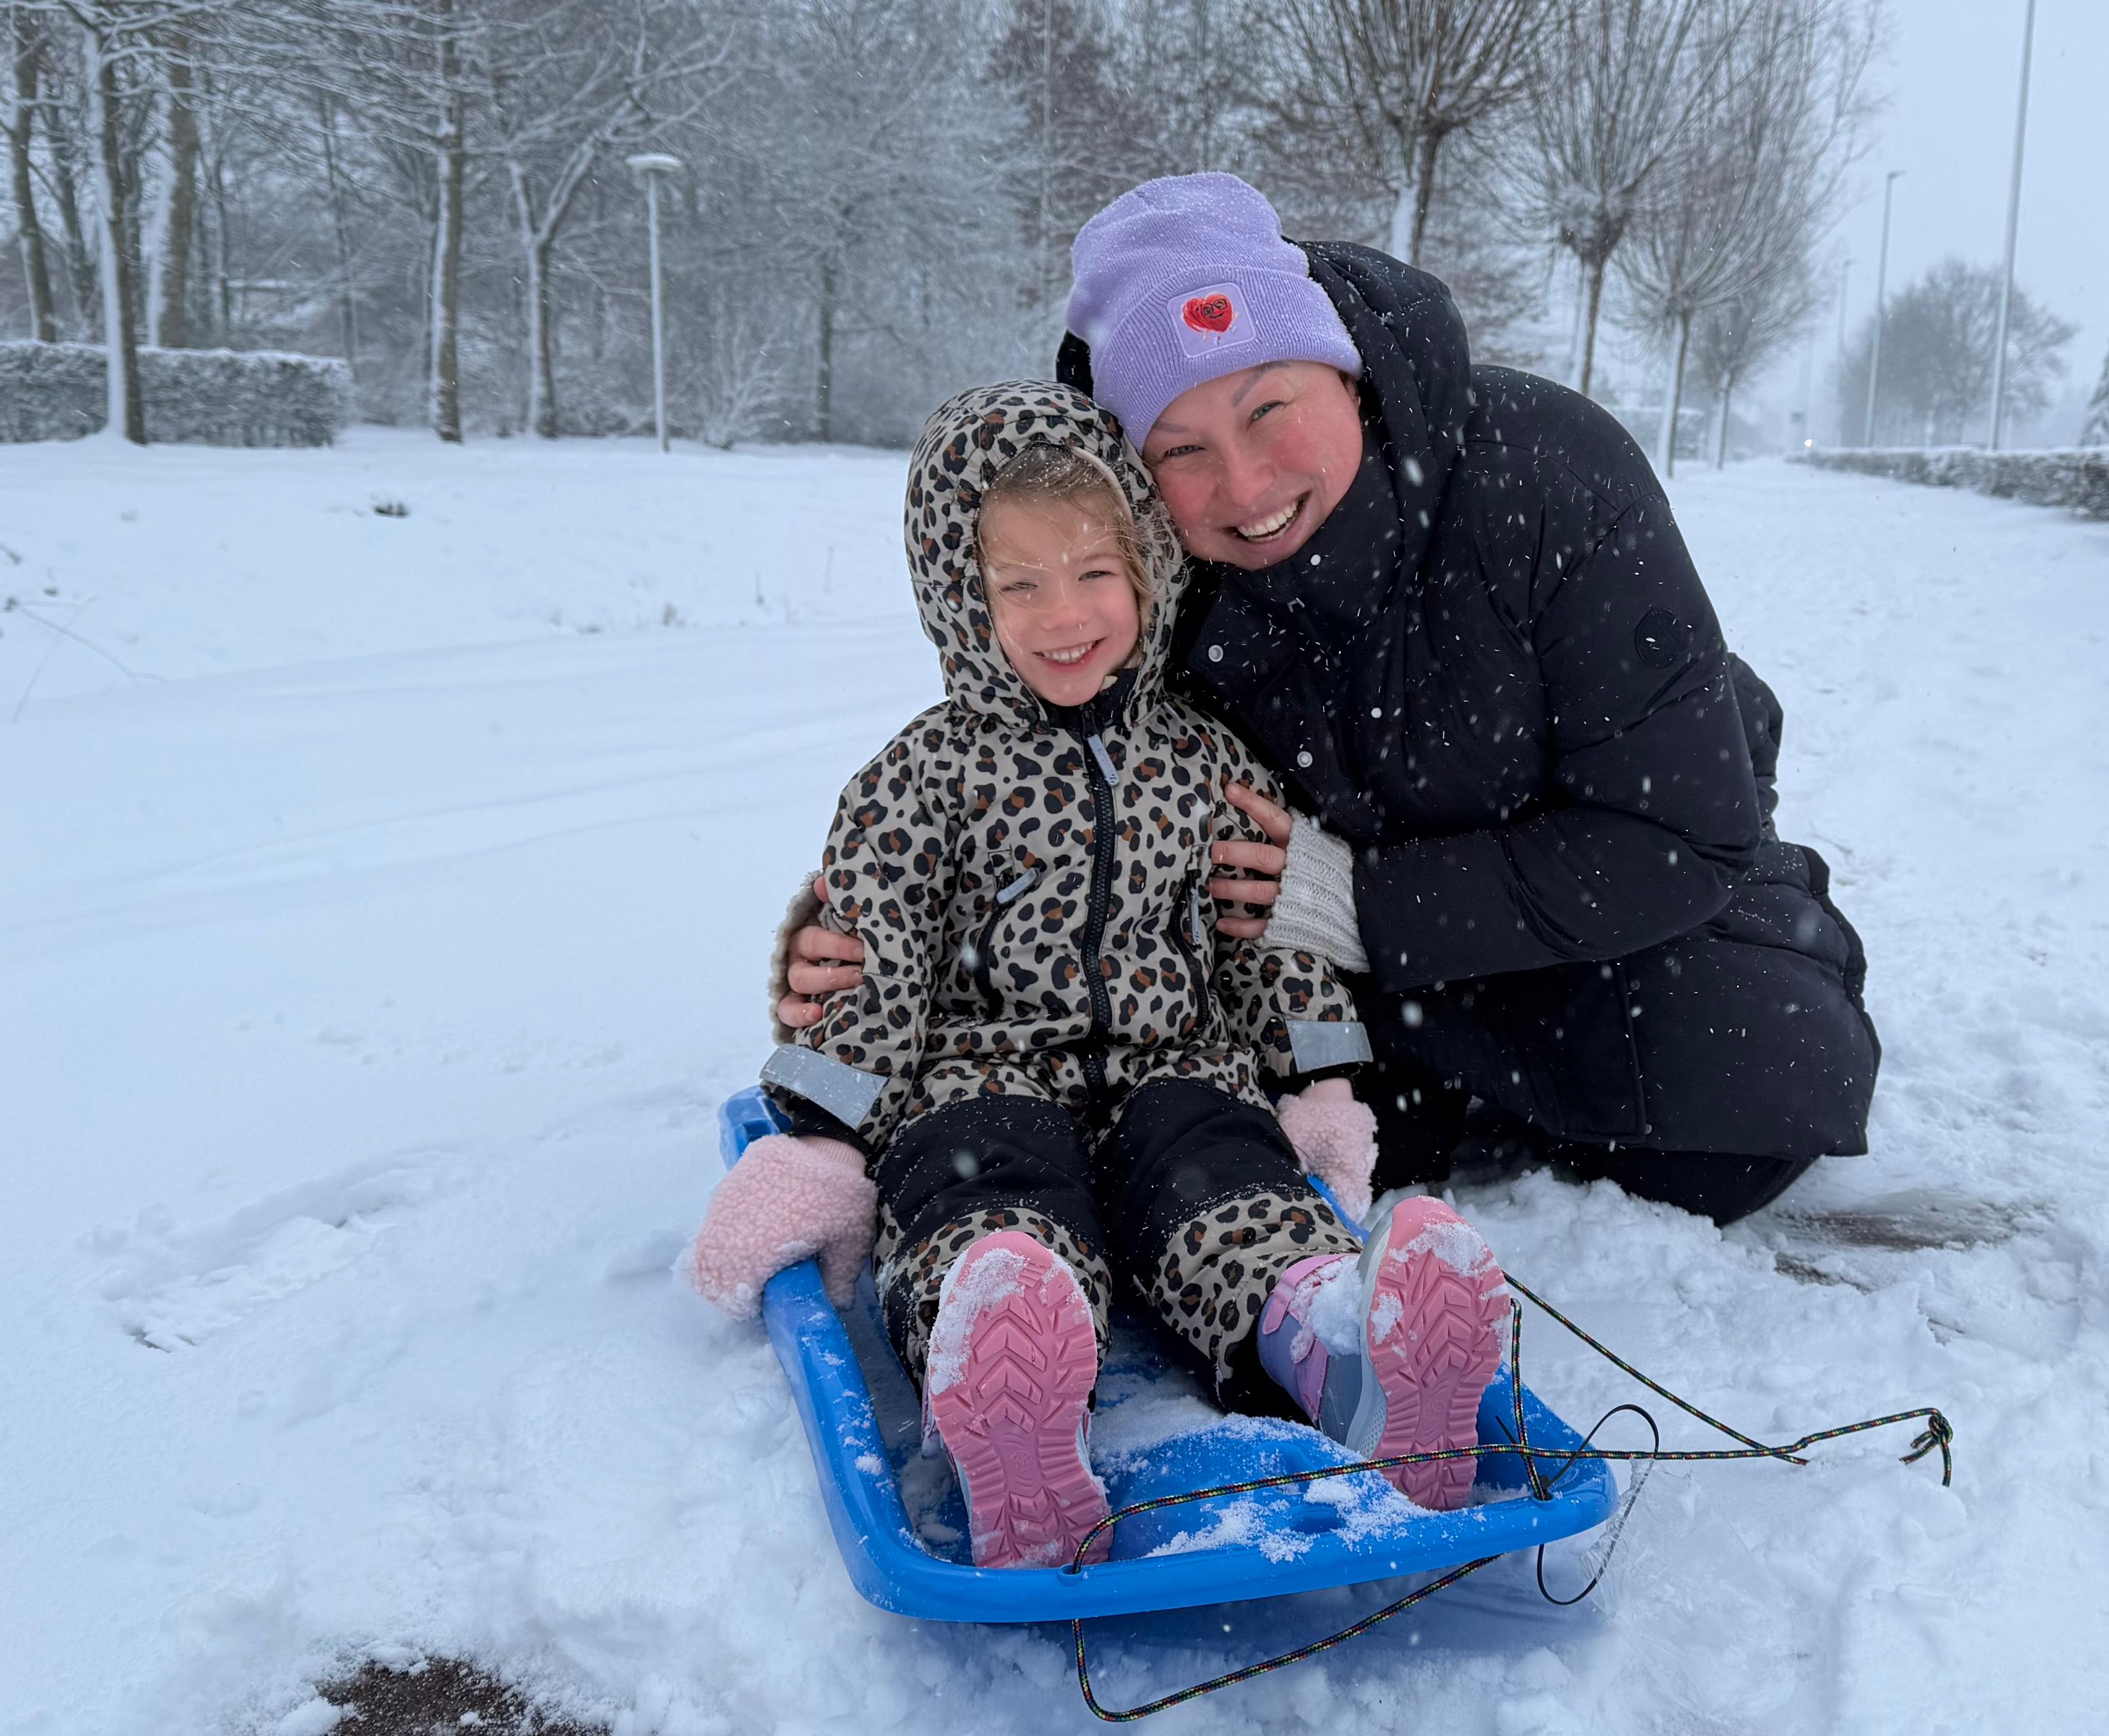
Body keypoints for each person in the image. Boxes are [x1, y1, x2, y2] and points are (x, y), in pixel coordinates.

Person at [781, 173, 1879, 1227]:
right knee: (1172, 1117)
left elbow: (1679, 834)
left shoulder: (1553, 473)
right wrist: (883, 937)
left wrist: (1367, 902)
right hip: (1318, 975)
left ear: (1343, 370)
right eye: (1183, 450)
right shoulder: (1137, 567)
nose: (1247, 487)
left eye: (1271, 409)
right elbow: (1053, 783)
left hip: (1604, 908)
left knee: (1750, 1084)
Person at [684, 382, 1517, 1570]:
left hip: (1175, 1067)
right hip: (980, 1075)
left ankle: (1341, 1343)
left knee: (1225, 1184)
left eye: (1091, 575)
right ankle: (1013, 1386)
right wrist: (823, 1138)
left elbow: (1269, 933)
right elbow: (873, 951)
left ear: (1145, 573)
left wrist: (1318, 1083)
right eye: (1016, 585)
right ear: (962, 602)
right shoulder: (923, 775)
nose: (1060, 614)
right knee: (988, 1207)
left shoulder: (1206, 759)